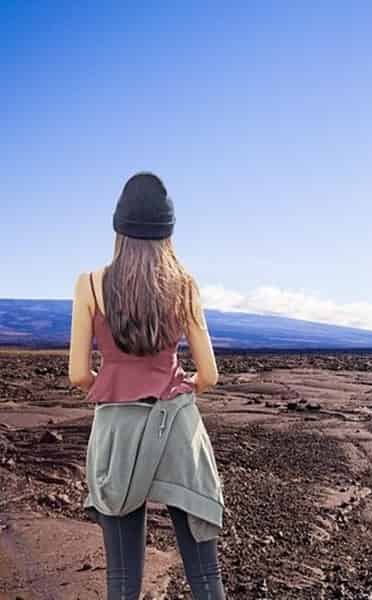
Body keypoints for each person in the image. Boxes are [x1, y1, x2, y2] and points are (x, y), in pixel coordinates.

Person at [67, 172, 226, 599]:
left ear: (118, 229)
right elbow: (208, 375)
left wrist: (115, 383)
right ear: (168, 233)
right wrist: (184, 381)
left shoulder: (89, 285)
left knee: (122, 581)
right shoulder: (185, 285)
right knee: (206, 578)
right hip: (176, 426)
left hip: (117, 432)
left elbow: (78, 373)